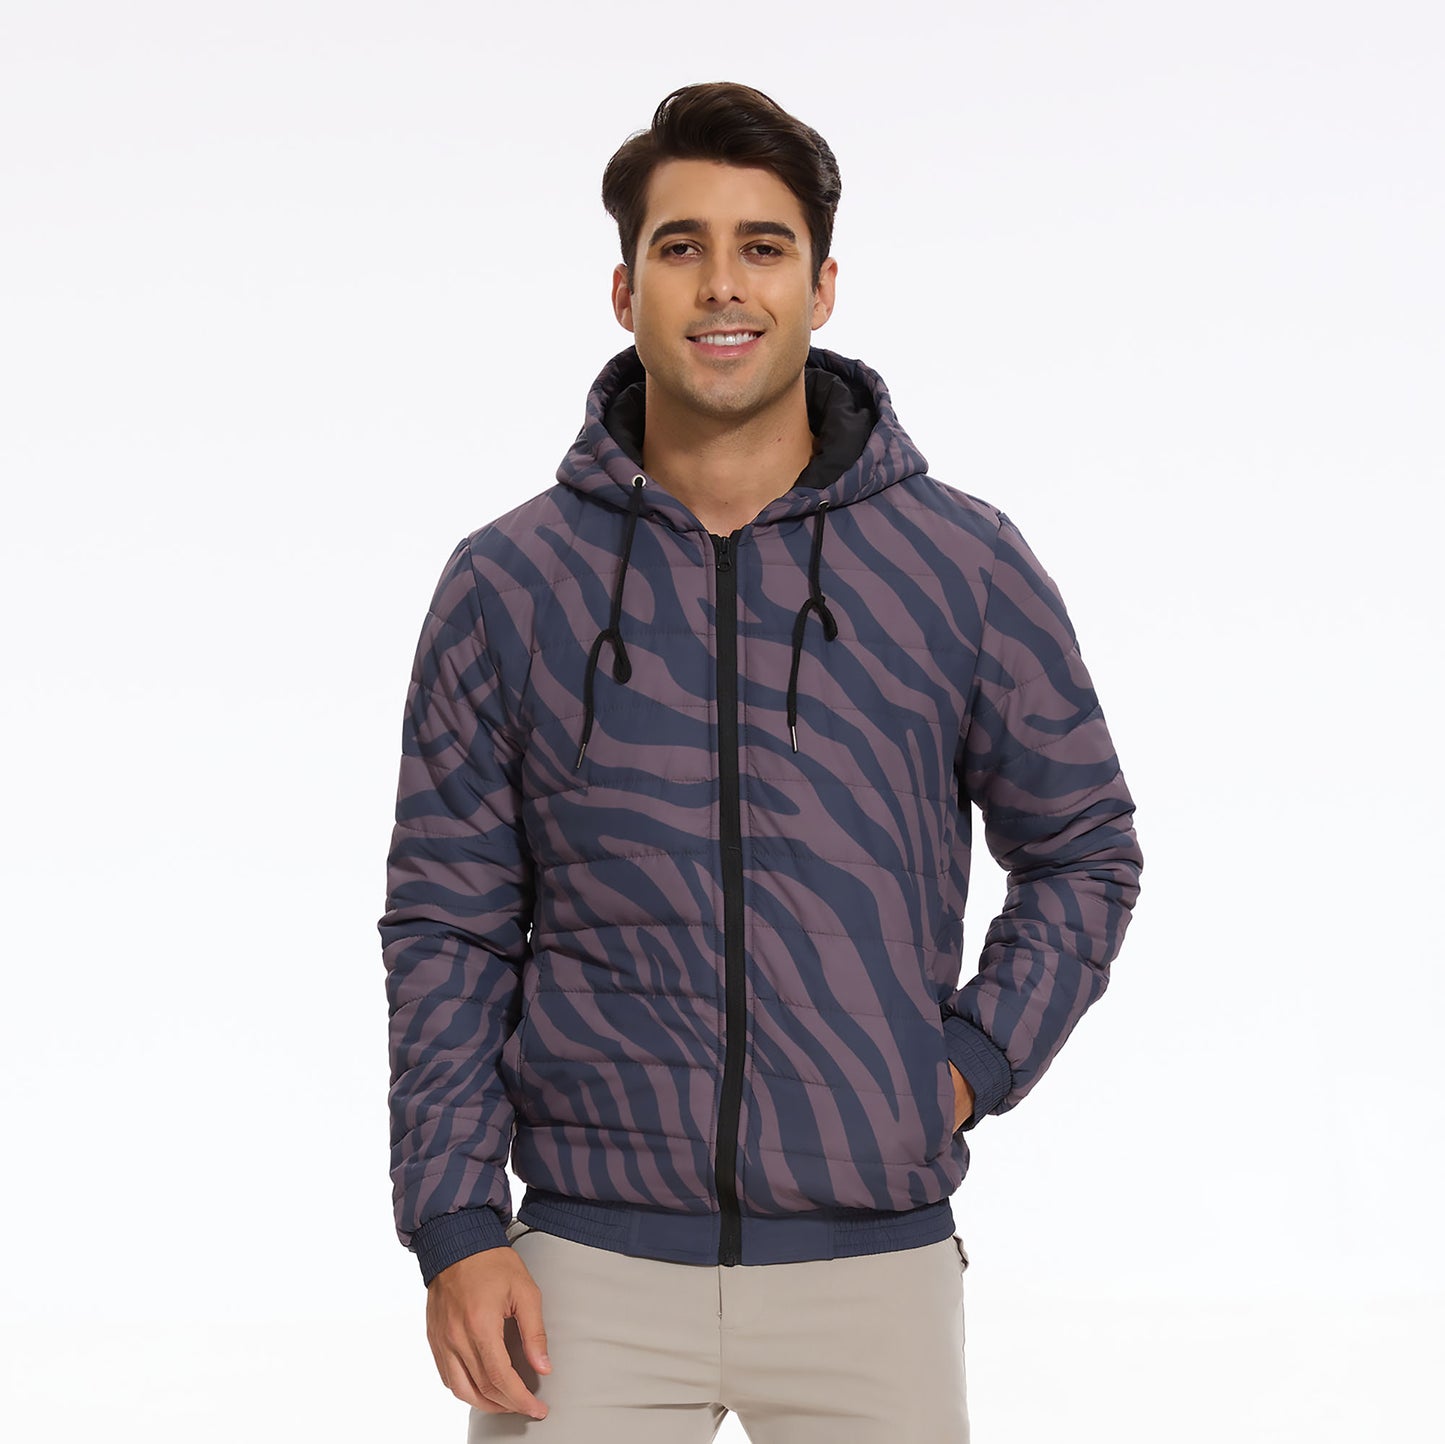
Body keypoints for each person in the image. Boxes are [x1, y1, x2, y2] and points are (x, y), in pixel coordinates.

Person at [379, 80, 1143, 1442]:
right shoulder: (510, 584)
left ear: (822, 286)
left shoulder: (958, 565)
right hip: (581, 1271)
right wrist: (453, 1224)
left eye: (762, 247)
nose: (722, 285)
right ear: (625, 291)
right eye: (681, 247)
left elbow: (1083, 851)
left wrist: (963, 1065)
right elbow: (447, 923)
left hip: (870, 1266)